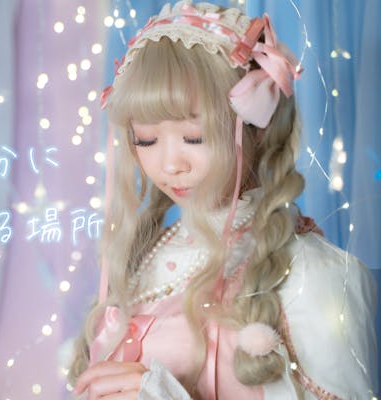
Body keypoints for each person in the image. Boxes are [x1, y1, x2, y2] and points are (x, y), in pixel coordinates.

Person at [68, 1, 378, 399]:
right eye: (146, 139)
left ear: (256, 129)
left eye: (194, 137)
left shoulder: (311, 273)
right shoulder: (142, 259)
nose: (170, 164)